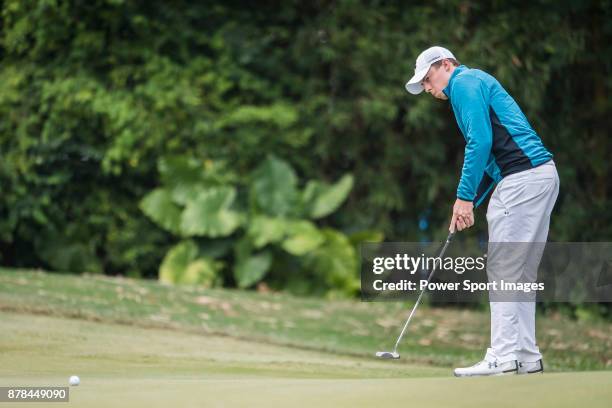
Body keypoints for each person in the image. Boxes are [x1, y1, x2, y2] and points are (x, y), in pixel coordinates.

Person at [405, 46, 560, 376]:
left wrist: (463, 197)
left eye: (428, 79)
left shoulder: (464, 83)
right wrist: (471, 202)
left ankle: (503, 356)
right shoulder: (475, 83)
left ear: (446, 65)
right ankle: (526, 356)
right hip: (538, 176)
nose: (429, 89)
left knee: (504, 268)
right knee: (521, 273)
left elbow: (480, 142)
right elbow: (494, 157)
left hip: (522, 181)